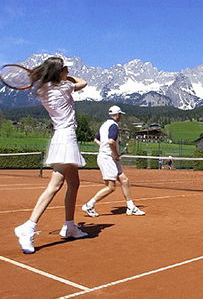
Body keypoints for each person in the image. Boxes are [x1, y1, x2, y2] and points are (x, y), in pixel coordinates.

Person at [14, 57, 88, 254]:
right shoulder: (63, 88)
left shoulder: (42, 90)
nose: (67, 70)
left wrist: (59, 74)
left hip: (62, 137)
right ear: (59, 73)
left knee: (74, 184)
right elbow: (83, 83)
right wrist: (67, 76)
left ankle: (70, 225)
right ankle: (28, 227)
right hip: (65, 139)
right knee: (55, 186)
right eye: (64, 68)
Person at [81, 106, 145, 217]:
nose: (121, 117)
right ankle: (89, 205)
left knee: (124, 180)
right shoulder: (114, 126)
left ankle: (131, 207)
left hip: (108, 157)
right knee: (110, 187)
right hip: (107, 158)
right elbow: (111, 142)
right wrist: (114, 154)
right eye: (120, 114)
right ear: (118, 114)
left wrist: (105, 147)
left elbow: (96, 139)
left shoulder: (104, 125)